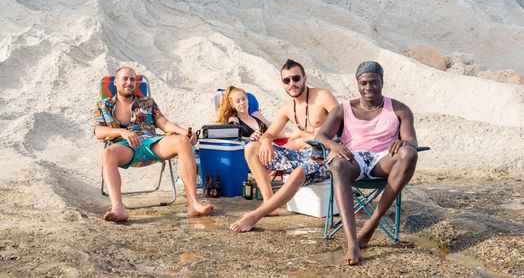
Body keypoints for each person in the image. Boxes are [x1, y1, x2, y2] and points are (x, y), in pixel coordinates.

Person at [314, 61, 419, 266]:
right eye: (363, 83)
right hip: (354, 160)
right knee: (337, 165)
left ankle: (372, 222)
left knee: (409, 154)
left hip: (383, 159)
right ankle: (352, 243)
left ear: (382, 82)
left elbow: (412, 141)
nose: (368, 87)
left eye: (373, 82)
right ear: (357, 83)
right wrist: (333, 146)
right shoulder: (342, 109)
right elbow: (321, 136)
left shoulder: (399, 109)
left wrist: (404, 142)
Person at [230, 59, 338, 232]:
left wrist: (336, 150)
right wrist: (265, 141)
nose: (292, 84)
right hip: (302, 155)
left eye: (296, 78)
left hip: (325, 156)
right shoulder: (289, 107)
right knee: (251, 148)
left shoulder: (322, 96)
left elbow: (344, 125)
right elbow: (270, 133)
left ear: (305, 78)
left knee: (298, 171)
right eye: (286, 80)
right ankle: (269, 203)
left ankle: (255, 216)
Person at [94, 66, 214, 222]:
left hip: (151, 143)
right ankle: (118, 207)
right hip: (125, 147)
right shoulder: (103, 105)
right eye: (125, 78)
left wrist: (184, 132)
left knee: (182, 141)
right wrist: (121, 132)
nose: (129, 82)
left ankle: (193, 203)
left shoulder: (147, 102)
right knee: (108, 153)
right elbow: (98, 131)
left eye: (132, 79)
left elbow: (163, 123)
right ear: (115, 82)